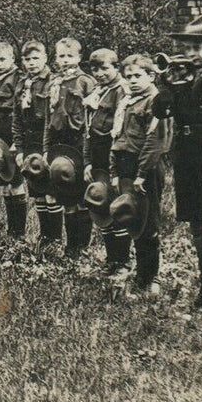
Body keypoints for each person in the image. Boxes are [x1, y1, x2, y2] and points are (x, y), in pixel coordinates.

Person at [155, 14, 202, 312]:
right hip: (186, 152)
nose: (191, 52)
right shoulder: (182, 76)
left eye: (199, 46)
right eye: (187, 46)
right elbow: (161, 111)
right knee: (196, 223)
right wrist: (167, 84)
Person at [110, 54, 170, 297]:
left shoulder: (156, 102)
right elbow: (117, 138)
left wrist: (142, 174)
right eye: (128, 77)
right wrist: (115, 171)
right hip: (126, 167)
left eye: (138, 76)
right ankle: (140, 275)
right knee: (134, 220)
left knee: (148, 224)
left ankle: (150, 278)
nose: (132, 80)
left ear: (152, 76)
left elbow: (154, 141)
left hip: (145, 169)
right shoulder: (126, 101)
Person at [44, 37, 98, 259]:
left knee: (81, 194)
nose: (65, 60)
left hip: (79, 140)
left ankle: (81, 246)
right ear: (55, 59)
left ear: (79, 58)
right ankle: (70, 247)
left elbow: (93, 117)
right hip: (60, 142)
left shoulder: (86, 82)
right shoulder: (53, 83)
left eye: (70, 56)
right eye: (61, 56)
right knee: (65, 193)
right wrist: (47, 147)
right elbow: (48, 118)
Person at [83, 48, 126, 275]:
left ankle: (122, 262)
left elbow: (120, 131)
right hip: (98, 156)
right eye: (95, 69)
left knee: (117, 208)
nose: (99, 73)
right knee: (100, 205)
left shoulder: (122, 91)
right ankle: (111, 259)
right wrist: (88, 160)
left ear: (116, 68)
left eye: (105, 68)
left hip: (115, 156)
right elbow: (89, 130)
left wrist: (115, 166)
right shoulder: (97, 92)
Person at [13, 41, 57, 247]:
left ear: (45, 58)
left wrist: (50, 148)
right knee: (37, 191)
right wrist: (20, 148)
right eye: (27, 59)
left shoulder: (53, 81)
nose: (31, 63)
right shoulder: (23, 83)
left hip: (47, 139)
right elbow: (17, 119)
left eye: (35, 58)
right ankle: (44, 235)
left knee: (51, 192)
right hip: (30, 141)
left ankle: (55, 238)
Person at [0, 42, 28, 239]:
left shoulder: (18, 77)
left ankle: (18, 231)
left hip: (12, 126)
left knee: (16, 181)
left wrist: (17, 141)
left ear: (12, 59)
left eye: (3, 59)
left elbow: (19, 109)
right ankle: (11, 231)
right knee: (4, 181)